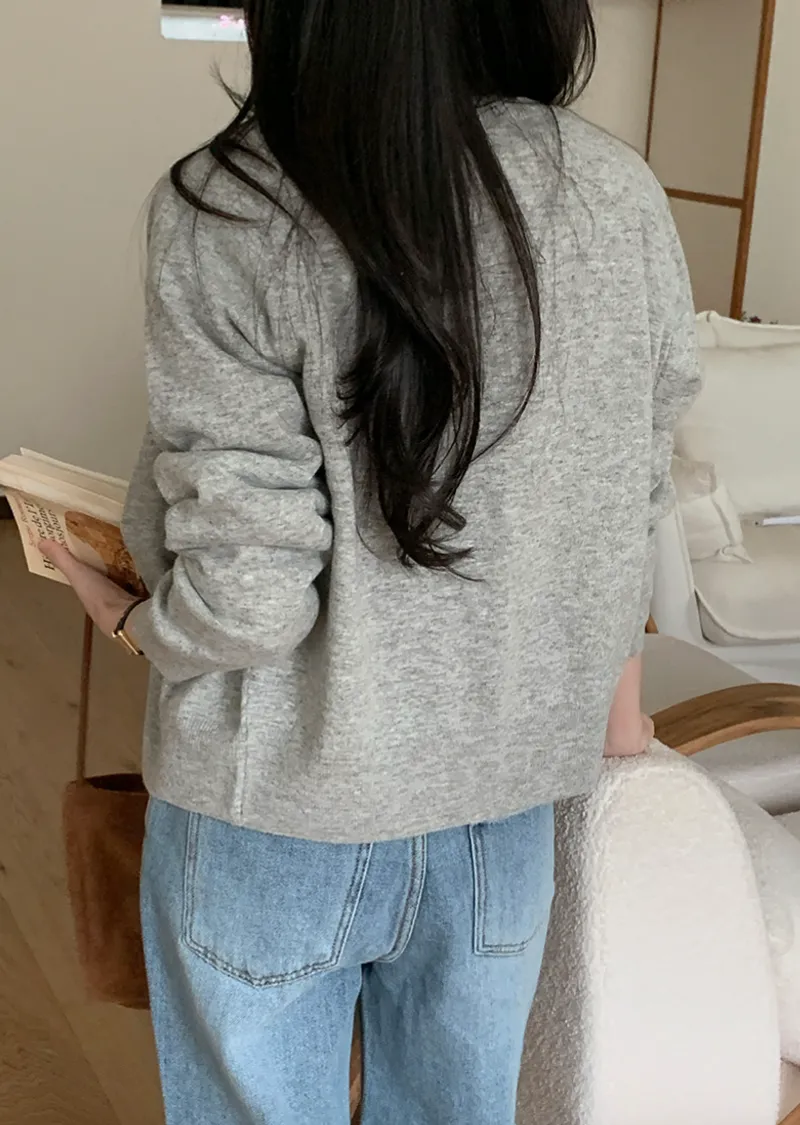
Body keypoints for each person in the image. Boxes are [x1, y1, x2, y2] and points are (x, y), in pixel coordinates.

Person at [41, 0, 700, 1121]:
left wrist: (129, 618)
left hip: (272, 811)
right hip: (500, 813)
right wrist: (616, 717)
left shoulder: (232, 203)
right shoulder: (613, 189)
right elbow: (627, 491)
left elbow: (247, 600)